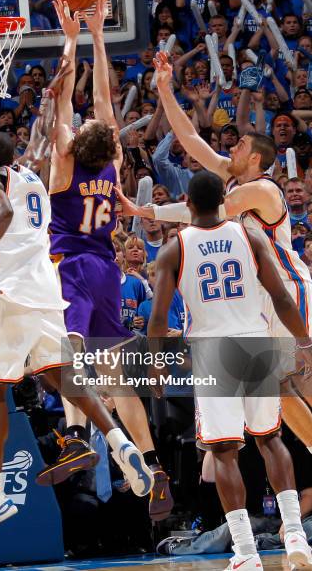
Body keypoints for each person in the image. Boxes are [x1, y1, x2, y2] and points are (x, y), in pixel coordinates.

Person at [0, 77, 154, 537]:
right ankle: (119, 441)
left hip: (4, 294)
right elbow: (42, 138)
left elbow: (2, 211)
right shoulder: (30, 173)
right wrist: (54, 93)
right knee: (62, 376)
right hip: (48, 294)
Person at [117, 50, 312, 452]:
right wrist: (165, 89)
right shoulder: (236, 178)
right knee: (276, 387)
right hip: (262, 299)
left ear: (254, 157)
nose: (230, 149)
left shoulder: (263, 189)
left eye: (238, 145)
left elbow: (211, 211)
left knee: (305, 378)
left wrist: (150, 209)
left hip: (289, 291)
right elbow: (189, 138)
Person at [36, 0, 173, 521]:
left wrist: (69, 39)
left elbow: (71, 103)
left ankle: (74, 436)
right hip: (108, 272)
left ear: (72, 147)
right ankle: (155, 465)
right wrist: (97, 35)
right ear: (110, 146)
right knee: (118, 378)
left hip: (70, 266)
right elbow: (102, 106)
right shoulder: (111, 168)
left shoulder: (63, 173)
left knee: (69, 358)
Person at [148, 170, 312, 571]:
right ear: (224, 200)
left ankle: (245, 552)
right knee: (271, 440)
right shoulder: (250, 237)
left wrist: (156, 362)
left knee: (223, 453)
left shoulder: (175, 248)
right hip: (256, 342)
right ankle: (295, 534)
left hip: (213, 350)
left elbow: (157, 319)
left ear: (187, 204)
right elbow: (280, 298)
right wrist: (304, 341)